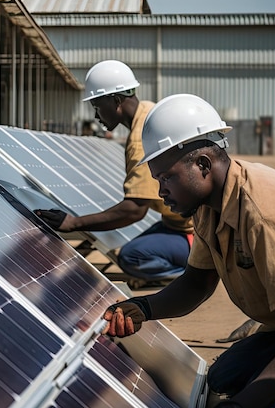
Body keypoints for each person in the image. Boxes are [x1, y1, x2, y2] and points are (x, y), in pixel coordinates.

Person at [102, 93, 275, 408]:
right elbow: (197, 284)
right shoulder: (208, 206)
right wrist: (144, 308)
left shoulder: (264, 216)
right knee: (221, 381)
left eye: (167, 177)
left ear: (203, 164)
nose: (161, 191)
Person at [36, 60, 194, 284]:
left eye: (98, 107)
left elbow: (134, 210)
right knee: (137, 247)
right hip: (181, 224)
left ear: (117, 101)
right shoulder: (149, 112)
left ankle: (196, 272)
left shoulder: (141, 141)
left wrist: (74, 223)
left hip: (196, 234)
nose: (97, 116)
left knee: (131, 257)